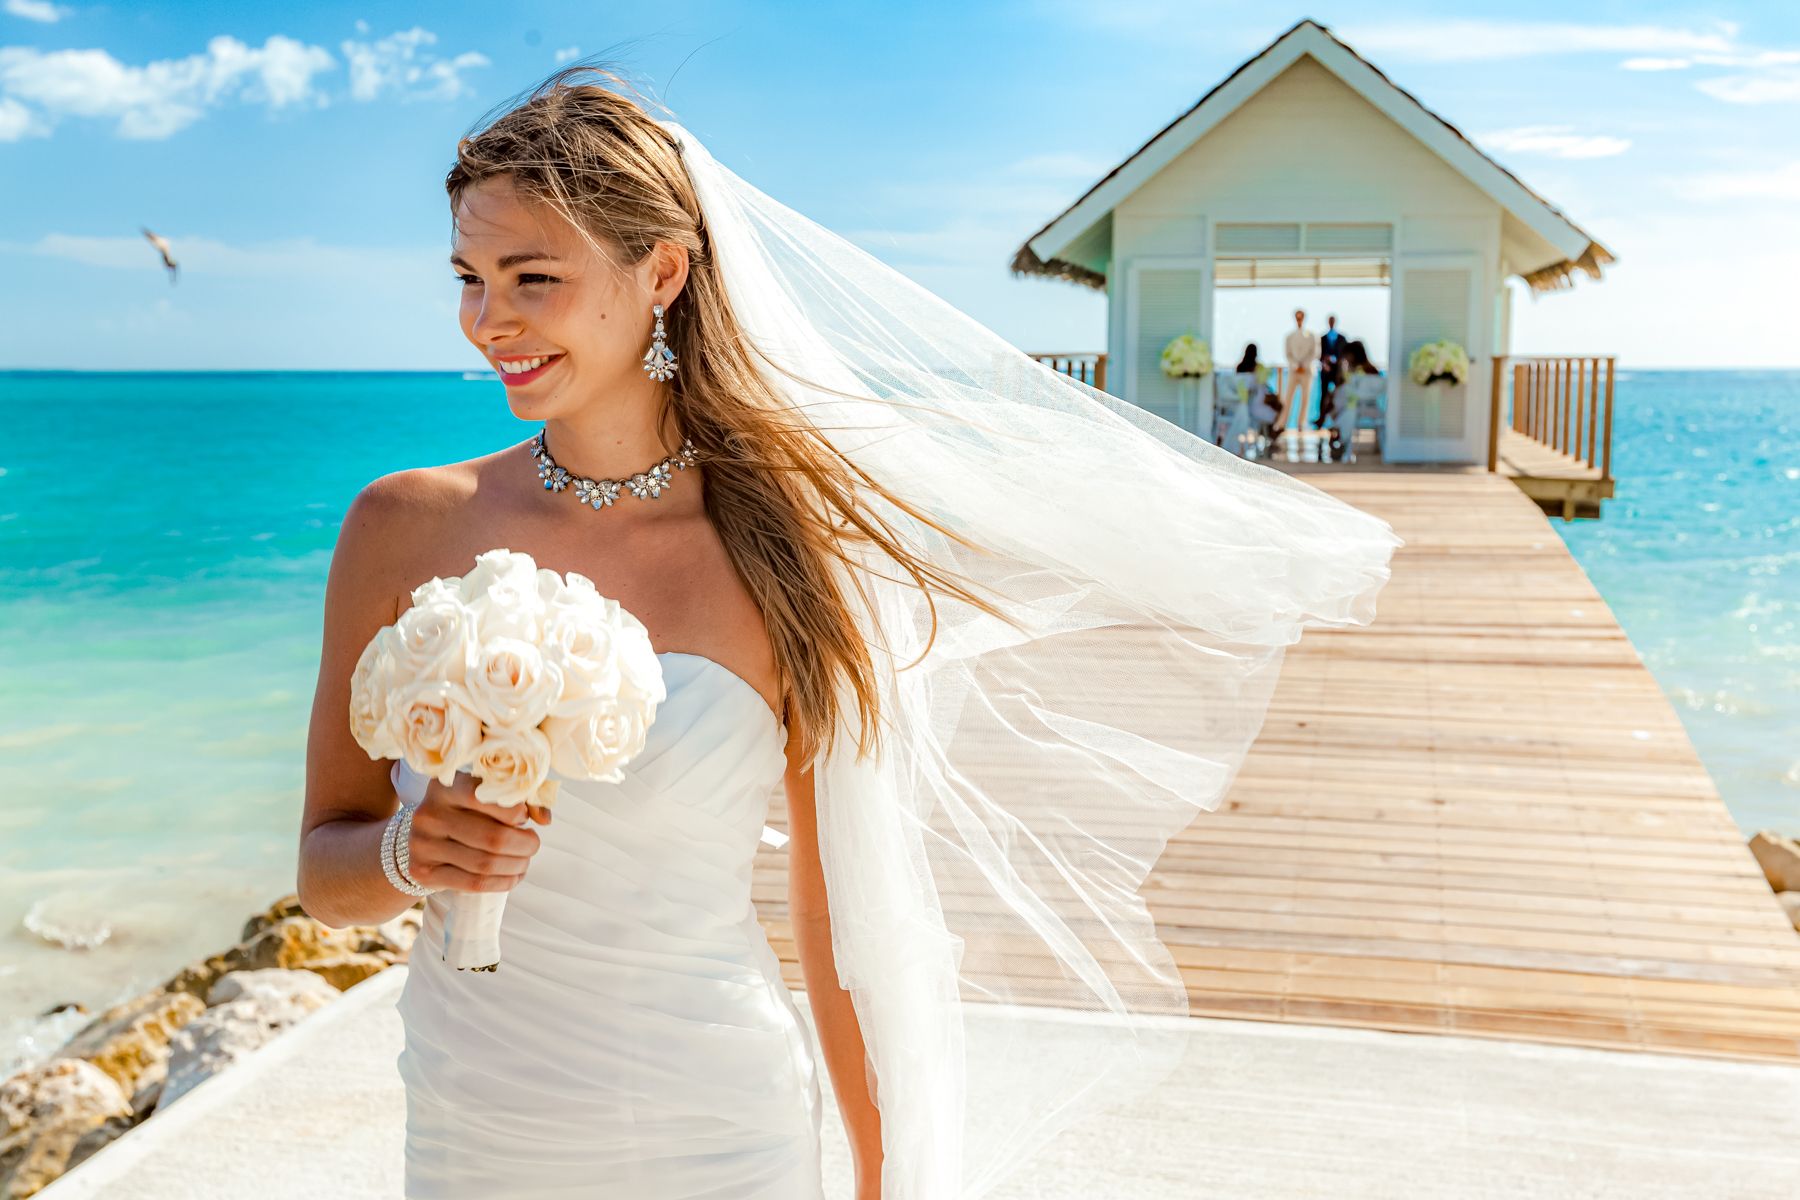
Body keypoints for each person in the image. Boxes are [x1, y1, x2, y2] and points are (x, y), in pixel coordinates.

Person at [299, 64, 1402, 1200]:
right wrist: (406, 852)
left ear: (661, 272)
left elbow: (838, 926)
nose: (490, 320)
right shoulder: (405, 525)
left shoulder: (787, 551)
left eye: (533, 277)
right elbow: (324, 864)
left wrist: (883, 1176)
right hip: (476, 1124)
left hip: (713, 1126)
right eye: (470, 279)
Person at [1280, 308, 1320, 443]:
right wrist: (1296, 365)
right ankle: (1282, 422)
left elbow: (1315, 353)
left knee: (1305, 398)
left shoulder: (1312, 335)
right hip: (1293, 371)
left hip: (1307, 371)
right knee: (1288, 397)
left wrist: (1304, 365)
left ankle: (1301, 423)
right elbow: (1288, 354)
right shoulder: (1289, 336)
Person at [1315, 315, 1347, 430]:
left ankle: (1338, 419)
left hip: (1337, 372)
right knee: (1323, 394)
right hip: (1325, 371)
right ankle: (1321, 419)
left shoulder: (1342, 338)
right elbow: (1318, 354)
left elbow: (1344, 355)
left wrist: (1337, 362)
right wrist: (1324, 361)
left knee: (1339, 394)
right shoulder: (1322, 338)